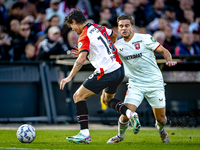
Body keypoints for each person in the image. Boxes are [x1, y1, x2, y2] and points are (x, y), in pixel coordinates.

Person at [60, 9, 141, 144]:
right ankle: (129, 114)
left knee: (78, 96)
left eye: (71, 26)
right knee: (106, 100)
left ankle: (84, 134)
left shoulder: (83, 36)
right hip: (119, 69)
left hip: (107, 72)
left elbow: (80, 59)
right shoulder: (97, 27)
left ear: (74, 22)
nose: (73, 30)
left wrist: (69, 77)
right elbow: (113, 35)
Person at [107, 14, 177, 144]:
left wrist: (169, 61)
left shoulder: (145, 38)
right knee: (125, 115)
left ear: (132, 27)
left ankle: (161, 130)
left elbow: (164, 51)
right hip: (135, 84)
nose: (124, 28)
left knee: (161, 119)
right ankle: (120, 136)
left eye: (127, 25)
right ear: (118, 28)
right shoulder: (117, 45)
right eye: (121, 26)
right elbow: (104, 58)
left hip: (155, 83)